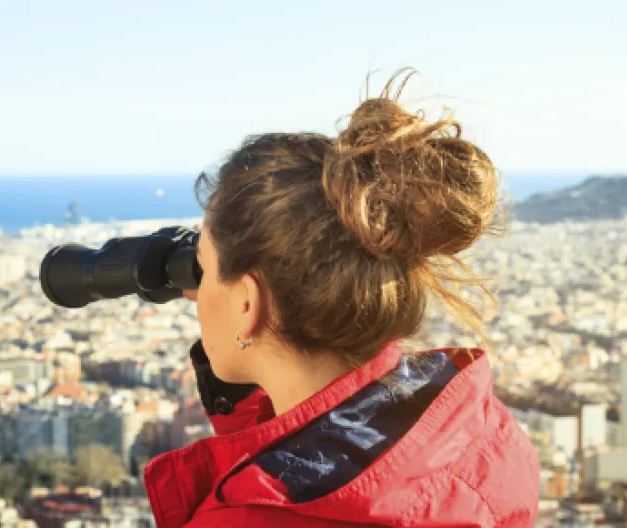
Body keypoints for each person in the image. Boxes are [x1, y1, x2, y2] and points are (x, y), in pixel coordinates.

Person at [143, 69, 539, 528]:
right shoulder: (482, 436)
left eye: (204, 268)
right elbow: (319, 442)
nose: (197, 291)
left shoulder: (248, 518)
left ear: (248, 304)